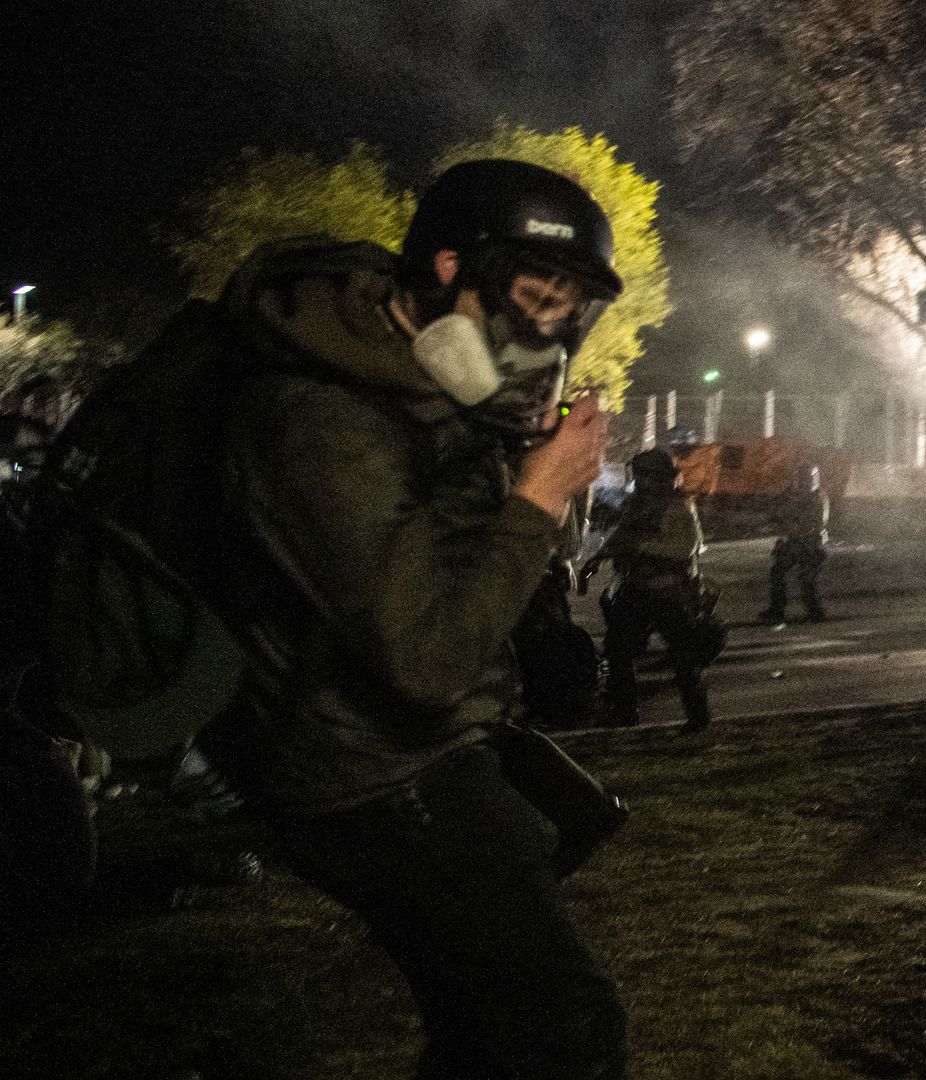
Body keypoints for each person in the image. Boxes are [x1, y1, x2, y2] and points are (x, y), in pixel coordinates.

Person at [195, 159, 629, 1079]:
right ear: (446, 271)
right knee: (564, 1029)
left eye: (569, 310)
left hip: (426, 754)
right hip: (369, 778)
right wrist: (539, 498)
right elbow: (423, 658)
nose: (549, 332)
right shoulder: (315, 417)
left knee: (482, 1034)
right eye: (532, 297)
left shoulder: (426, 389)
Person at [586, 449, 716, 733]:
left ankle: (698, 717)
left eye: (647, 475)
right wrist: (598, 558)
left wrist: (641, 547)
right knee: (617, 649)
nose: (641, 481)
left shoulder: (678, 507)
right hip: (637, 590)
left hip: (670, 592)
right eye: (640, 474)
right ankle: (625, 711)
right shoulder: (638, 504)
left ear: (661, 477)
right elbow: (623, 534)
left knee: (683, 656)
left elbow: (686, 547)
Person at [762, 463, 829, 623]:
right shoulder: (797, 496)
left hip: (810, 543)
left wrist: (792, 526)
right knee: (777, 572)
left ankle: (814, 611)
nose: (803, 482)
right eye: (801, 478)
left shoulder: (818, 497)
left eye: (806, 478)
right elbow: (783, 515)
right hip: (796, 542)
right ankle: (777, 609)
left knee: (807, 578)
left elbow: (813, 522)